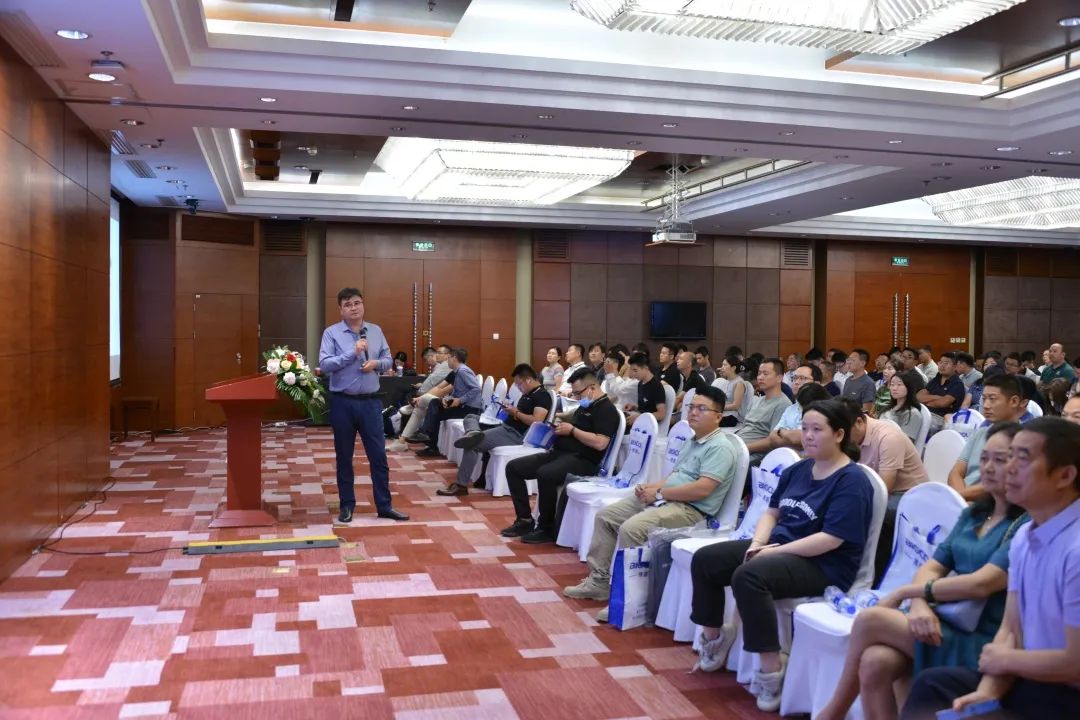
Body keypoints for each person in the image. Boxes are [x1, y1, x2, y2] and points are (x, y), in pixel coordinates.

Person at [818, 423, 1029, 720]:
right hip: (944, 618)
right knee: (875, 661)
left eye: (1001, 459)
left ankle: (832, 712)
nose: (989, 467)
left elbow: (983, 584)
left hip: (985, 636)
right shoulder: (974, 513)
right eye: (984, 458)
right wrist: (919, 604)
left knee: (870, 619)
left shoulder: (1025, 525)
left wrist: (908, 592)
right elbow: (932, 565)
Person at [690, 399, 874, 712]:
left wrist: (772, 552)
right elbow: (772, 512)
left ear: (839, 434)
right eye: (805, 428)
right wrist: (757, 543)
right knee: (706, 560)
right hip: (778, 547)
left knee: (749, 576)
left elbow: (831, 539)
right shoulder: (799, 469)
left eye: (817, 429)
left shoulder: (853, 481)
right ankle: (715, 637)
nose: (808, 436)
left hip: (824, 564)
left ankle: (771, 668)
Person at [899, 418, 1080, 720]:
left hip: (1067, 696)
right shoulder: (1025, 536)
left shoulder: (1074, 550)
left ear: (1065, 475)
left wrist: (1006, 661)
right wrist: (987, 692)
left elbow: (1075, 663)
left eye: (1022, 458)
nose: (1009, 468)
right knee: (932, 685)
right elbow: (1011, 629)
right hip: (1028, 677)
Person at [563, 386, 738, 620]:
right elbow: (676, 476)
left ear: (718, 416)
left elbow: (702, 489)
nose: (693, 412)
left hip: (691, 510)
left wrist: (659, 494)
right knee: (606, 516)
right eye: (691, 407)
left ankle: (630, 600)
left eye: (701, 408)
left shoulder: (720, 447)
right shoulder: (693, 441)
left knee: (631, 529)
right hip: (669, 498)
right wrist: (652, 487)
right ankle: (599, 581)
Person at [318, 288, 408, 523]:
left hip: (370, 403)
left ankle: (384, 505)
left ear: (363, 305)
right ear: (341, 309)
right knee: (344, 457)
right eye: (348, 304)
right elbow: (325, 364)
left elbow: (388, 359)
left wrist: (376, 363)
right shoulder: (331, 333)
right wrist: (352, 352)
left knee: (378, 456)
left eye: (357, 303)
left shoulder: (375, 331)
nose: (354, 307)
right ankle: (347, 506)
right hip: (343, 403)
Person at [501, 369, 621, 544]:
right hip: (560, 453)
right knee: (514, 468)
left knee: (546, 474)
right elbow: (574, 423)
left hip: (583, 460)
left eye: (578, 393)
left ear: (592, 388)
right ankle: (524, 520)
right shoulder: (586, 406)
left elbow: (600, 443)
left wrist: (572, 430)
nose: (577, 397)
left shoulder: (606, 410)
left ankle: (546, 528)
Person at [841, 397, 929, 583]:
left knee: (873, 516)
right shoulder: (848, 436)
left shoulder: (888, 437)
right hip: (874, 489)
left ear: (859, 421)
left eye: (844, 431)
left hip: (907, 496)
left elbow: (883, 490)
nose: (840, 437)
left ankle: (873, 577)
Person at [438, 363, 553, 497]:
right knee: (471, 417)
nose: (518, 388)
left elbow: (536, 421)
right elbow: (521, 412)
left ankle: (461, 485)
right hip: (505, 426)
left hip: (515, 434)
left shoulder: (542, 396)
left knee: (471, 444)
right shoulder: (529, 393)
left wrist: (515, 413)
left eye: (519, 384)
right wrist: (510, 409)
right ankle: (473, 432)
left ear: (528, 380)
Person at [948, 375, 1027, 501]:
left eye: (992, 399)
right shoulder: (980, 433)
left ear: (1014, 401)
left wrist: (959, 497)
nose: (986, 405)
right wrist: (959, 501)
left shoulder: (1023, 441)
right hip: (961, 499)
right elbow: (956, 472)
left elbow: (999, 485)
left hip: (988, 505)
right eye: (984, 399)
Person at [414, 348, 482, 457]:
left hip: (469, 409)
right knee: (435, 403)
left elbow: (476, 389)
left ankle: (428, 439)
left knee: (436, 412)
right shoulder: (458, 371)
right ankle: (427, 437)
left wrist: (460, 400)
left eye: (449, 358)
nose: (447, 360)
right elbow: (459, 391)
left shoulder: (463, 371)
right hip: (462, 405)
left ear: (454, 358)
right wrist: (448, 399)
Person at [737, 358, 793, 465]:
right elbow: (745, 428)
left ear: (779, 378)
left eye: (765, 374)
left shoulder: (783, 404)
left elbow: (774, 440)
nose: (760, 377)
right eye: (759, 373)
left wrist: (743, 448)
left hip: (754, 455)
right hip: (739, 445)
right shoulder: (756, 400)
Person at [769, 380, 831, 452]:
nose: (800, 408)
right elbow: (773, 437)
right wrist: (794, 440)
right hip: (785, 454)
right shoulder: (791, 408)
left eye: (803, 405)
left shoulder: (824, 413)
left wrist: (781, 431)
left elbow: (798, 438)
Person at [918, 352, 966, 432]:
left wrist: (927, 401)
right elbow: (919, 396)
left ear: (954, 366)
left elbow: (943, 403)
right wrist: (937, 397)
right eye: (940, 362)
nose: (942, 365)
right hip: (927, 413)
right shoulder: (936, 379)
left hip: (943, 419)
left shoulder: (957, 384)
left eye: (946, 363)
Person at [880, 370, 927, 444]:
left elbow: (905, 444)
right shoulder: (888, 408)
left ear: (909, 387)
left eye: (899, 384)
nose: (894, 388)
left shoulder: (913, 414)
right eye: (892, 384)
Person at [624, 352, 667, 428]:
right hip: (639, 420)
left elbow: (661, 414)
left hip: (648, 425)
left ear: (645, 368)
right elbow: (646, 408)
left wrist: (640, 417)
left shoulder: (656, 386)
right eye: (632, 370)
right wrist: (634, 407)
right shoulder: (640, 384)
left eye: (635, 370)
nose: (633, 374)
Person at [714, 355, 752, 428]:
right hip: (723, 413)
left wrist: (718, 407)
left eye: (725, 365)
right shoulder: (727, 380)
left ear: (733, 368)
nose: (722, 368)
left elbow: (735, 406)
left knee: (708, 421)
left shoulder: (739, 383)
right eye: (722, 365)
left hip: (731, 417)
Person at [842, 348, 877, 413]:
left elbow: (867, 411)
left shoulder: (868, 383)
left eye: (853, 360)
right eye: (848, 359)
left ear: (862, 363)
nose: (849, 362)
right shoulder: (848, 380)